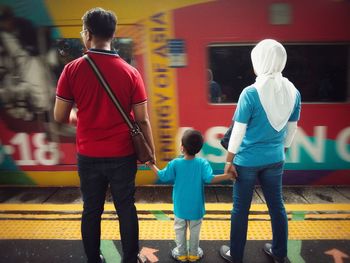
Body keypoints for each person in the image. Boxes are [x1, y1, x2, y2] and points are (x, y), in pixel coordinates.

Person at [54, 7, 155, 263]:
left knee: (91, 210)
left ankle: (93, 259)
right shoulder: (131, 72)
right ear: (112, 34)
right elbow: (142, 119)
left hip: (88, 155)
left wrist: (79, 116)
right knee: (126, 208)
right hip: (123, 154)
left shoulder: (72, 70)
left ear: (87, 34)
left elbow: (59, 116)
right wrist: (150, 153)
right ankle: (130, 258)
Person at [219, 39, 301, 263]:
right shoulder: (293, 92)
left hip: (246, 162)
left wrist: (229, 161)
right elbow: (291, 130)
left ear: (261, 60)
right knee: (277, 206)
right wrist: (279, 150)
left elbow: (238, 132)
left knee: (240, 209)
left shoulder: (251, 93)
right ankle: (279, 252)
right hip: (276, 159)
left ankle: (236, 255)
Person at [146, 129, 232, 262]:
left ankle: (181, 253)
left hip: (180, 206)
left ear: (182, 147)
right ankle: (193, 254)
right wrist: (227, 176)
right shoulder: (202, 163)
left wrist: (151, 165)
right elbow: (209, 178)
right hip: (196, 207)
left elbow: (163, 176)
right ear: (199, 149)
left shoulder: (175, 163)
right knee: (195, 230)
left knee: (180, 229)